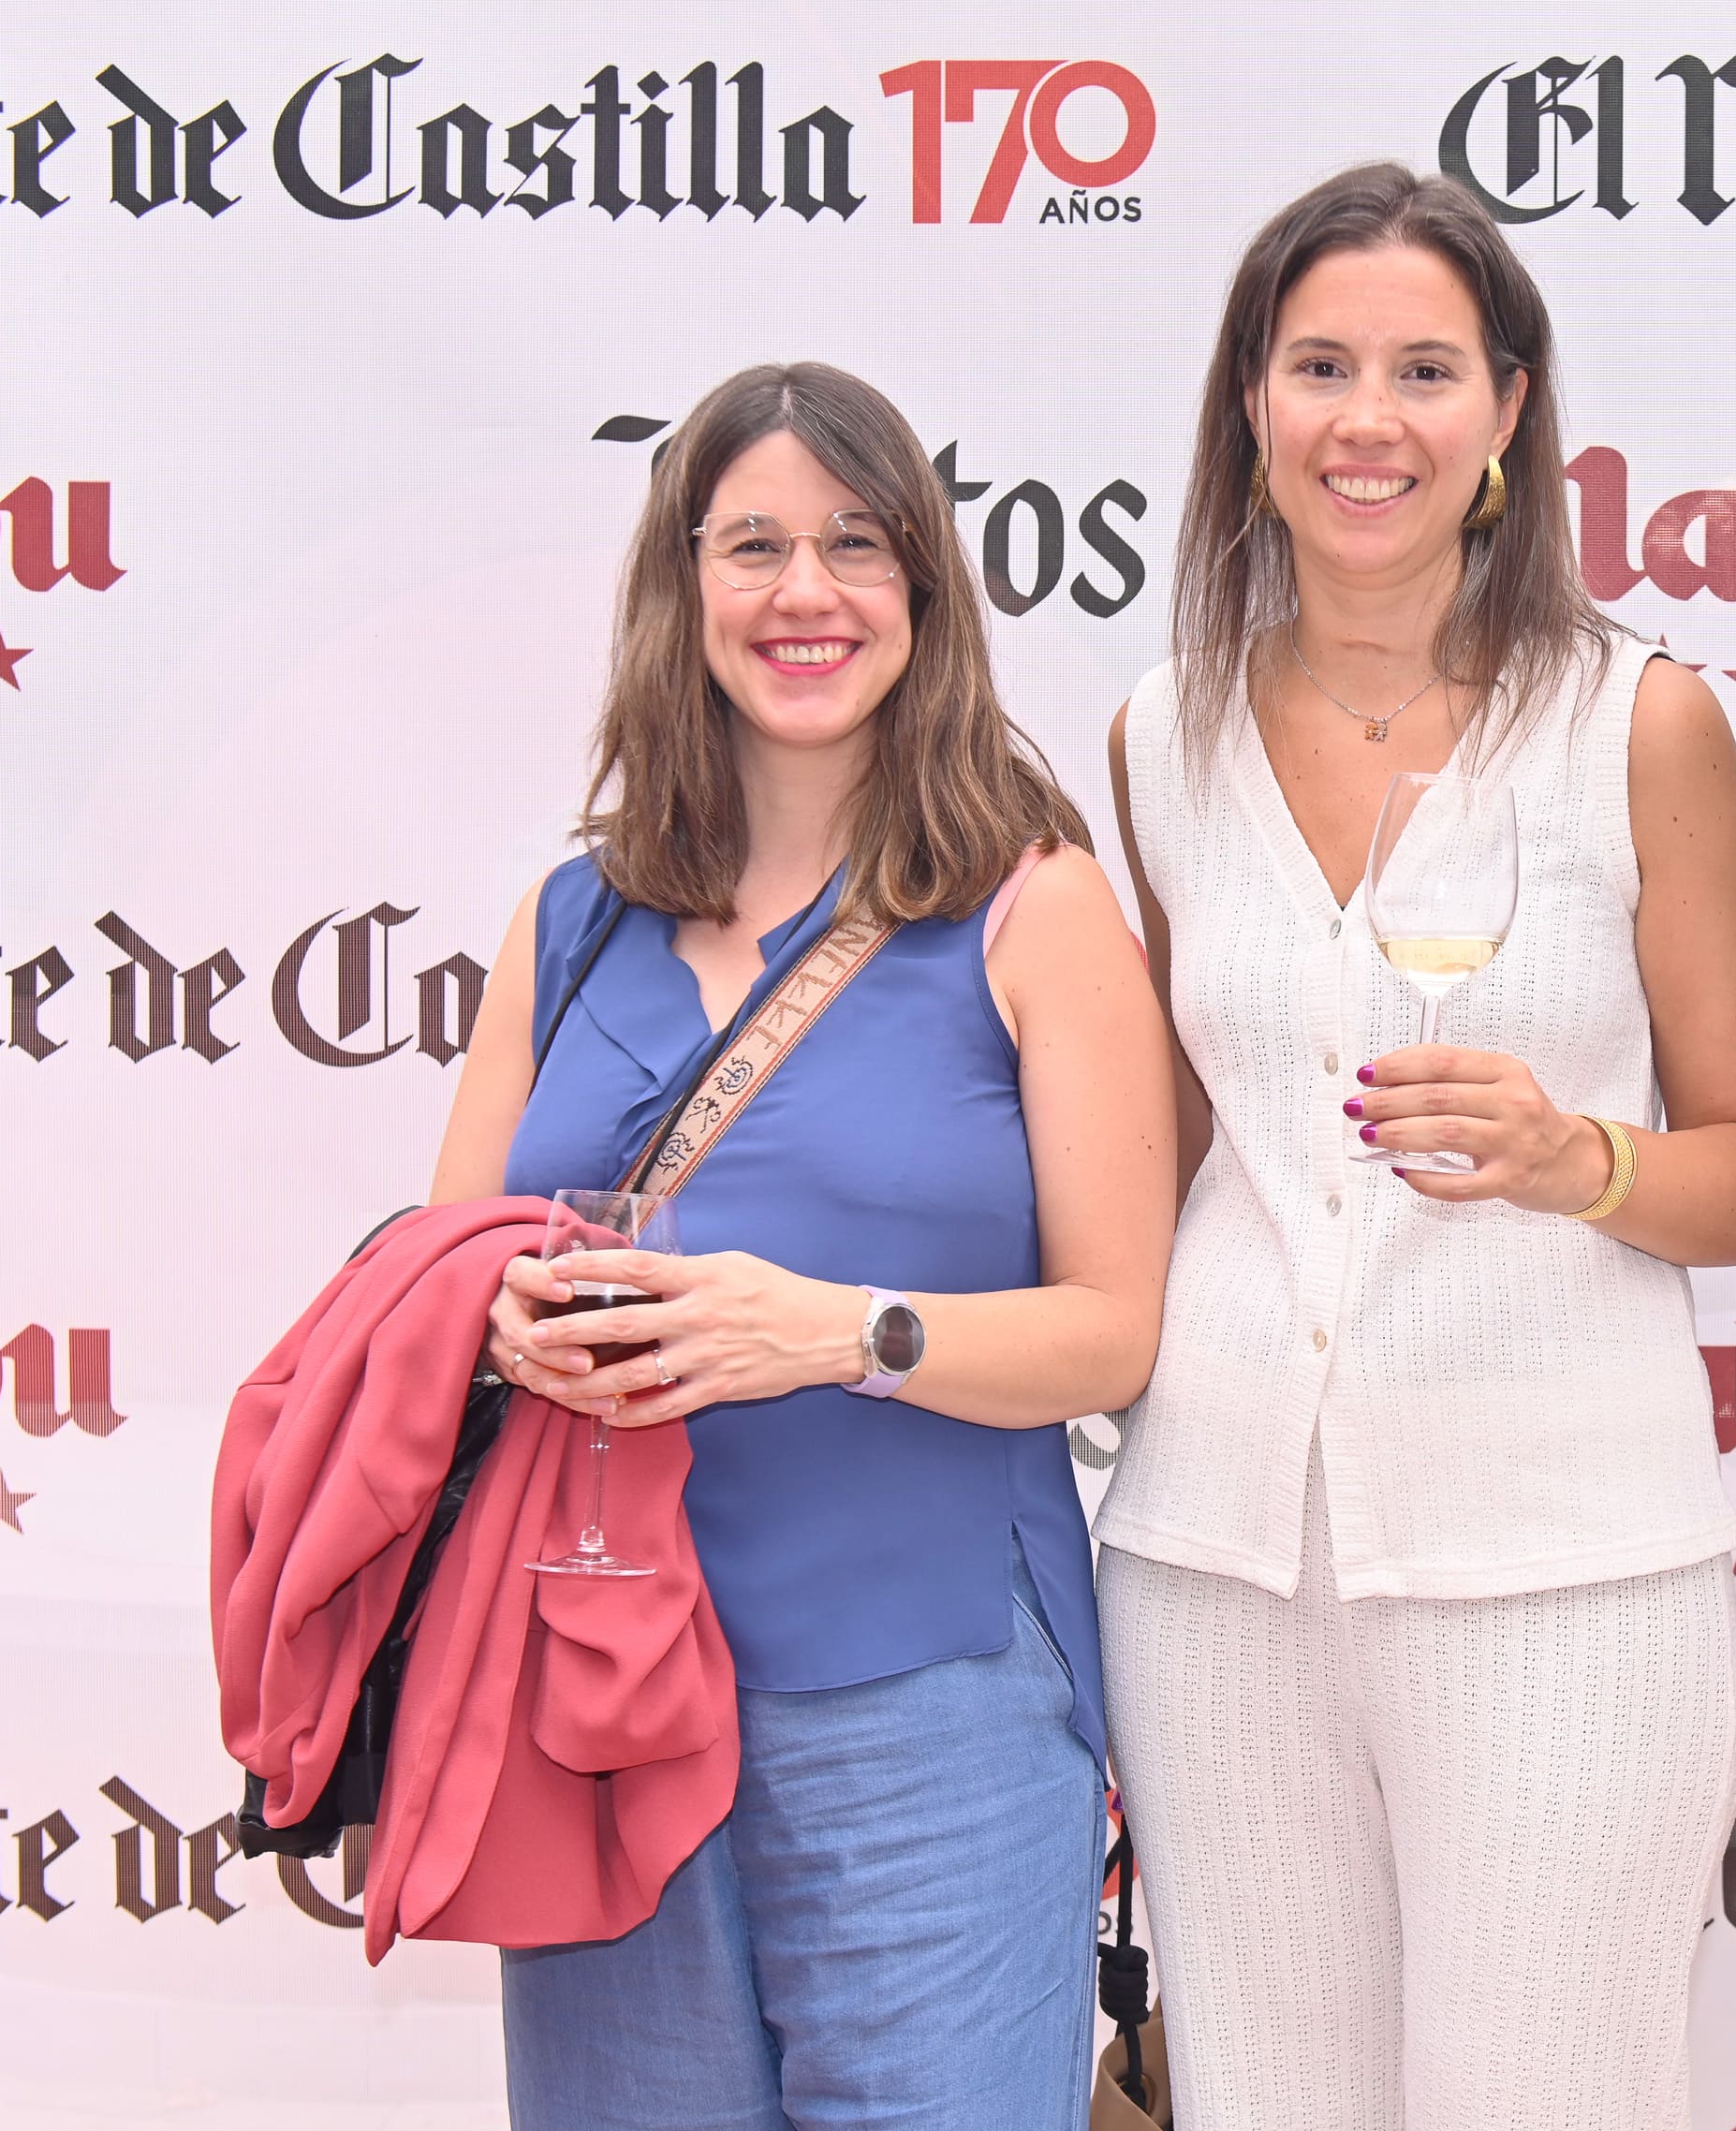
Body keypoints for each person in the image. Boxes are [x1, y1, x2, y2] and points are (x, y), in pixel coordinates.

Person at [1094, 162, 1736, 2129]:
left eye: (1424, 368)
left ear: (1507, 411)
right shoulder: (1163, 732)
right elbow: (1156, 1154)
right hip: (1215, 1560)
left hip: (1559, 1567)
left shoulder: (1637, 725)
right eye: (1318, 365)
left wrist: (1579, 1159)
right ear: (1249, 407)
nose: (1367, 419)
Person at [422, 360, 1174, 2128]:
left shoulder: (1034, 904)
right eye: (751, 545)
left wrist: (846, 1331)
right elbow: (442, 1267)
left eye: (854, 541)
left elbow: (1116, 1330)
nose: (804, 592)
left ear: (922, 583)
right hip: (603, 1693)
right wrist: (502, 1314)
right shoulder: (571, 918)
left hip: (932, 1710)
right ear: (683, 591)